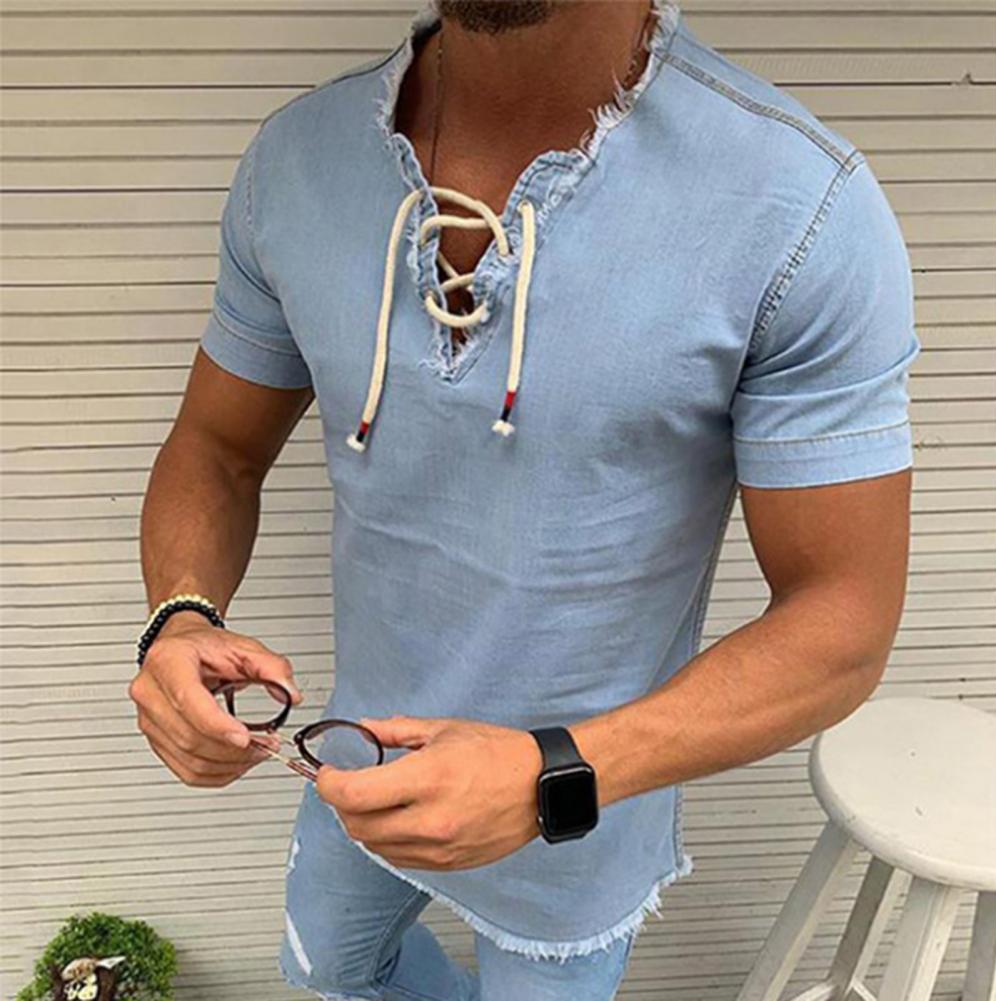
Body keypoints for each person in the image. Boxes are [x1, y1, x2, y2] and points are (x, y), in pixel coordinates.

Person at [130, 1, 922, 998]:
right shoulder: (297, 163)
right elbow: (217, 447)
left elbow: (841, 620)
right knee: (329, 969)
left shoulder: (799, 208)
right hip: (355, 748)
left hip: (585, 805)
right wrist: (180, 614)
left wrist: (557, 772)